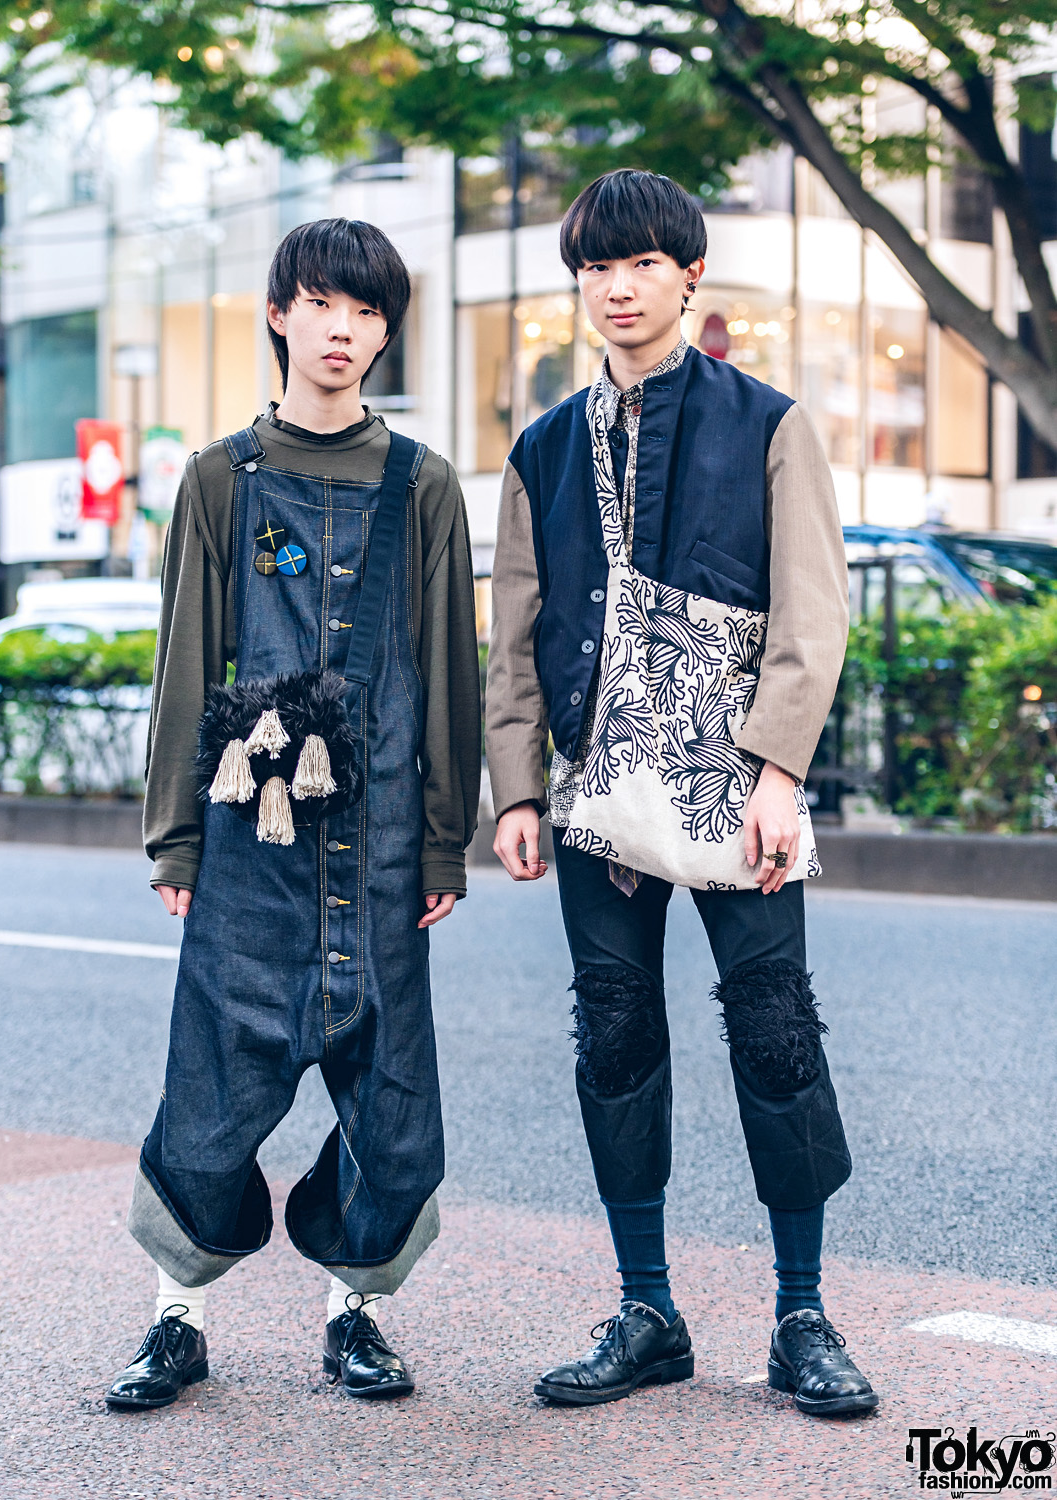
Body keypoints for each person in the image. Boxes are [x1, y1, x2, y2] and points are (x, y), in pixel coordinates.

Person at [486, 169, 877, 1416]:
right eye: (597, 266)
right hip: (595, 790)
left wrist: (778, 772)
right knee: (615, 1036)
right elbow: (516, 633)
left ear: (688, 275)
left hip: (736, 789)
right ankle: (646, 1309)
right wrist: (515, 788)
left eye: (643, 262)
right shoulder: (543, 448)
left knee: (774, 1029)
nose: (617, 284)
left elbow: (815, 616)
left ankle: (802, 1314)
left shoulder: (767, 421)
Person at [106, 218, 480, 1411]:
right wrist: (173, 834)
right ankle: (178, 1319)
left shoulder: (424, 486)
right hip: (245, 838)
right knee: (212, 1099)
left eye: (368, 313)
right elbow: (188, 661)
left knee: (395, 1116)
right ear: (279, 313)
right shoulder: (222, 478)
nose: (344, 331)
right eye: (322, 304)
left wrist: (440, 839)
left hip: (375, 847)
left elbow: (447, 675)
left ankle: (354, 1312)